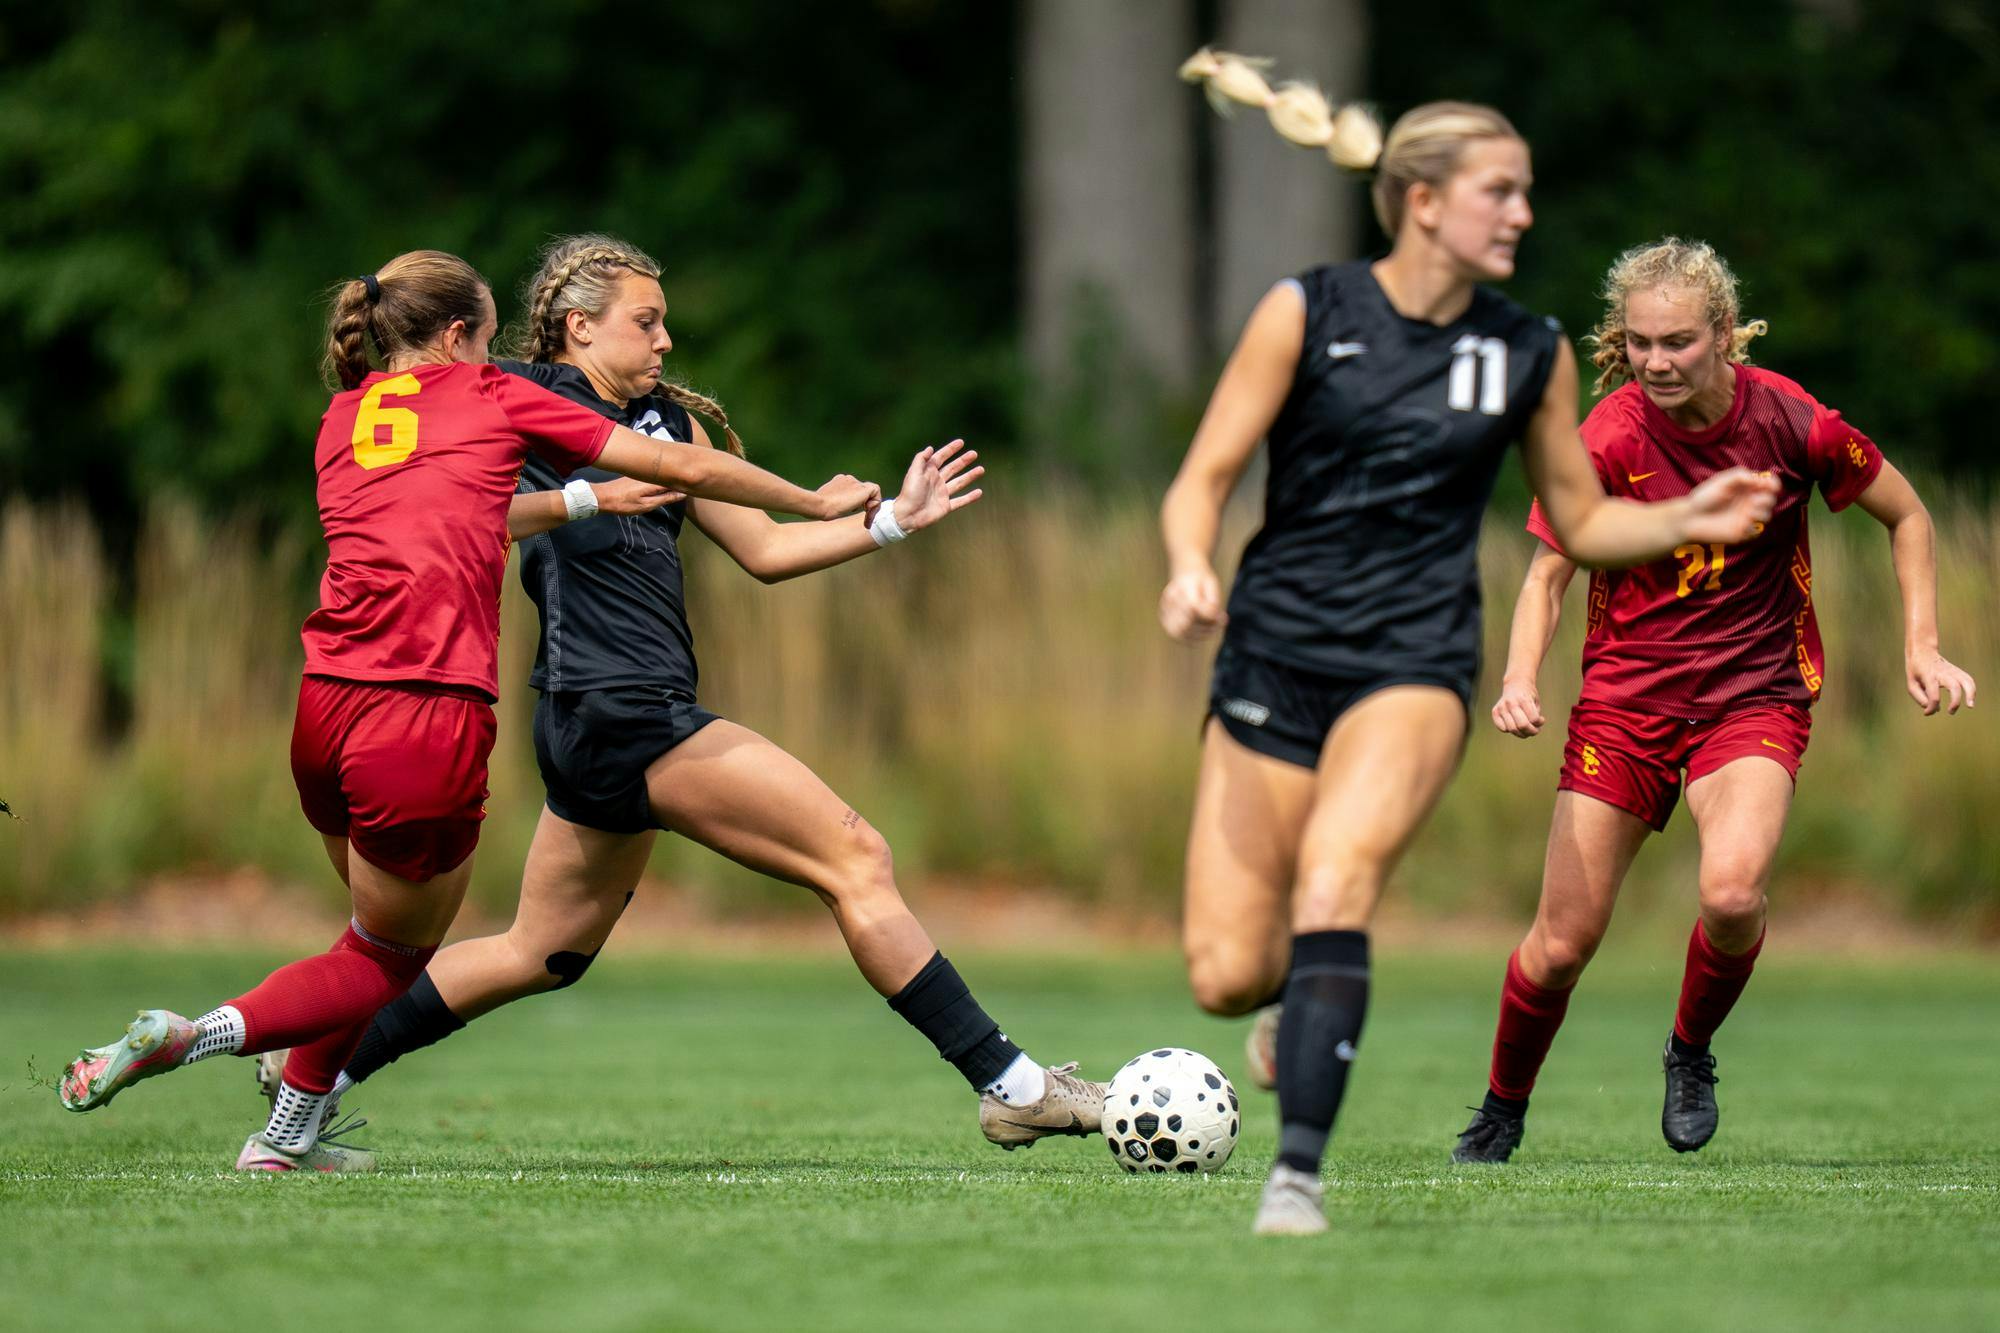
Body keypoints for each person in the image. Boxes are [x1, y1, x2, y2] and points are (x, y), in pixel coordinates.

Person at [252, 234, 1109, 1161]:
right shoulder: (519, 402)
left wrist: (892, 523)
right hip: (619, 705)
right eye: (646, 322)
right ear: (578, 326)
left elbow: (768, 553)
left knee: (540, 950)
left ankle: (318, 1070)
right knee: (853, 854)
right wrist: (793, 498)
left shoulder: (668, 422)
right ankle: (1012, 1085)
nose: (665, 341)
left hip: (599, 717)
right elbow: (458, 502)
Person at [58, 249, 880, 1171]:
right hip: (422, 718)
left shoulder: (344, 417)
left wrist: (581, 499)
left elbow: (459, 514)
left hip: (323, 710)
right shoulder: (488, 397)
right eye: (487, 342)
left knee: (368, 938)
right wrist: (816, 498)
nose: (496, 360)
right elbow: (673, 460)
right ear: (457, 337)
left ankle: (285, 1140)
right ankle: (193, 1033)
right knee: (390, 960)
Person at [1164, 51, 1779, 1235]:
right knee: (1225, 970)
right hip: (1273, 653)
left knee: (1340, 877)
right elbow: (1202, 478)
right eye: (1501, 191)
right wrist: (1192, 563)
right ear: (1424, 202)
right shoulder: (1306, 310)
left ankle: (1295, 1179)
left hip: (1414, 659)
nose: (1523, 214)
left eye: (1525, 189)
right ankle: (1292, 987)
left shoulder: (1528, 348)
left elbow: (1584, 522)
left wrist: (1681, 516)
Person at [1450, 238, 1976, 1164]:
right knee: (1562, 944)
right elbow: (1546, 577)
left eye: (1679, 342)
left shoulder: (1790, 420)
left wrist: (1921, 644)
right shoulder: (1607, 438)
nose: (1656, 361)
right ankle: (1500, 1109)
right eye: (1641, 342)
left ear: (1724, 335)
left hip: (1754, 697)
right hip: (1625, 706)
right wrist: (1519, 679)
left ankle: (1689, 1049)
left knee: (1731, 894)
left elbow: (1910, 516)